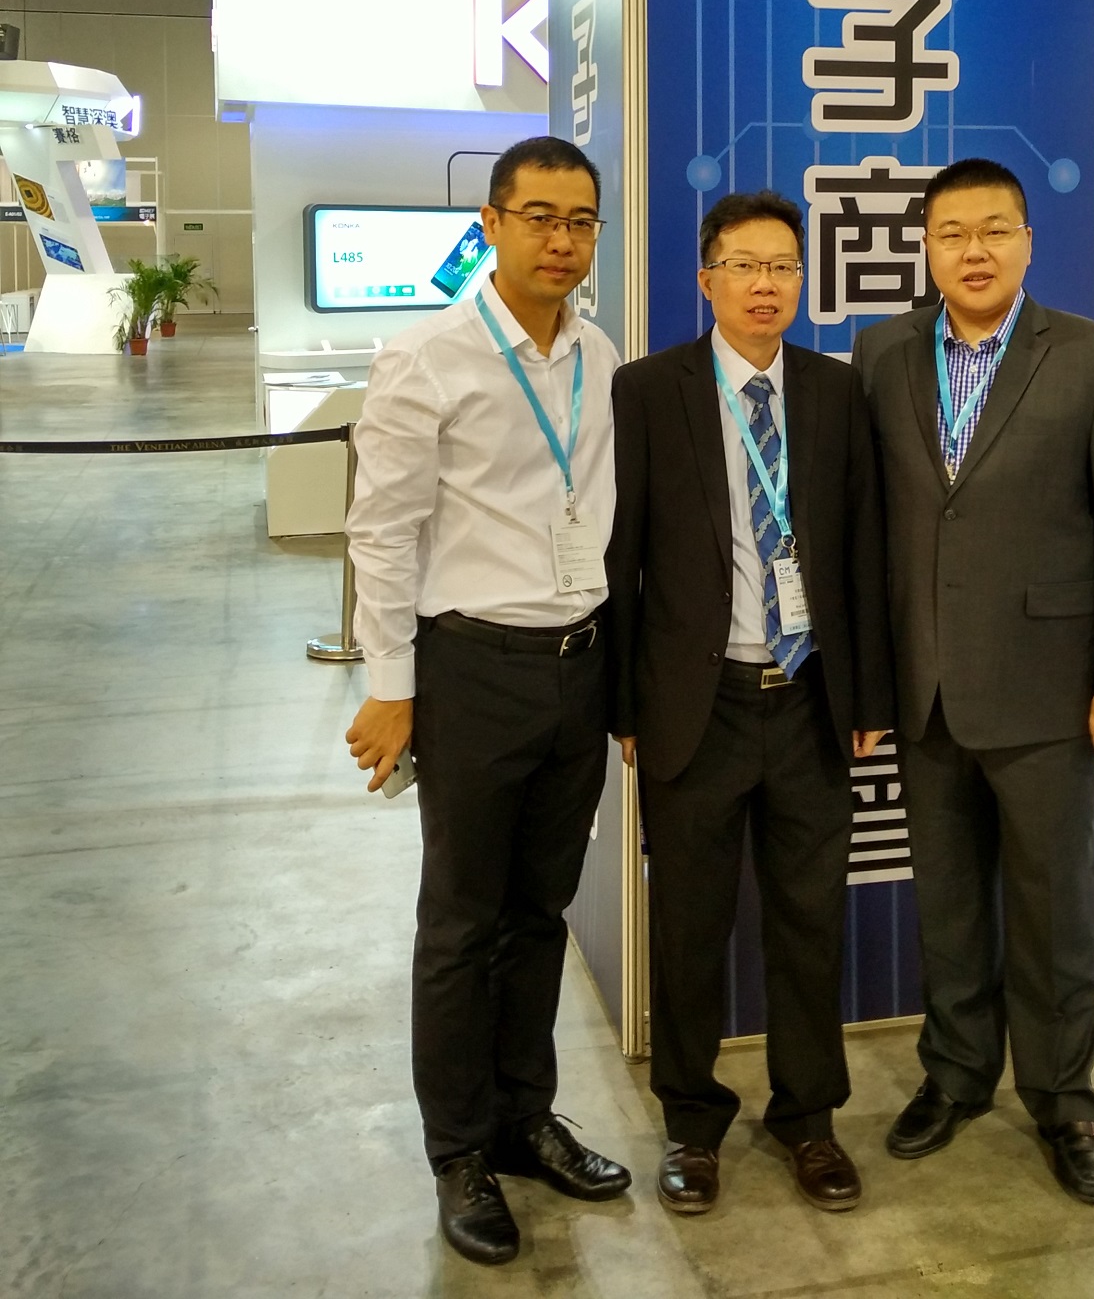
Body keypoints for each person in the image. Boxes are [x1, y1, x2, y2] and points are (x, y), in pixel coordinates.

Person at [850, 157, 1094, 1206]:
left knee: (1053, 907)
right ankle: (955, 1073)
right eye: (952, 233)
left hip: (1050, 690)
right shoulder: (883, 352)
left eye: (994, 230)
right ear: (926, 247)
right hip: (927, 687)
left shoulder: (1092, 356)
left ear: (1028, 241)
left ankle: (1065, 1098)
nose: (973, 251)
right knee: (947, 903)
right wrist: (869, 683)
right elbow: (873, 527)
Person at [343, 137, 631, 1267]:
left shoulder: (600, 354)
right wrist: (391, 686)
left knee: (539, 910)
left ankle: (524, 1114)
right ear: (494, 225)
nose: (562, 240)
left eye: (580, 220)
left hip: (578, 663)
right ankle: (459, 1148)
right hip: (470, 669)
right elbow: (382, 529)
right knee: (461, 921)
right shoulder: (430, 356)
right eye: (539, 217)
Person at [606, 190, 893, 1217]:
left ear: (802, 281)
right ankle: (691, 1123)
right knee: (688, 927)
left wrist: (866, 690)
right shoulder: (650, 390)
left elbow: (862, 548)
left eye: (782, 266)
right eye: (743, 265)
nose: (764, 284)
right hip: (698, 704)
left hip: (810, 699)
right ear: (706, 278)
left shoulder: (836, 389)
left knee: (810, 920)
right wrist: (625, 706)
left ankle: (808, 1117)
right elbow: (621, 557)